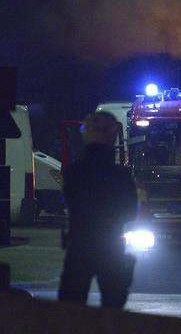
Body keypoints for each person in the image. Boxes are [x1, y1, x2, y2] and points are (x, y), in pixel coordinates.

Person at [58, 111, 138, 309]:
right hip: (111, 247)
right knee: (113, 307)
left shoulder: (73, 173)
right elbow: (130, 212)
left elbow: (69, 203)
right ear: (112, 136)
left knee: (70, 309)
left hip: (79, 245)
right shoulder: (121, 176)